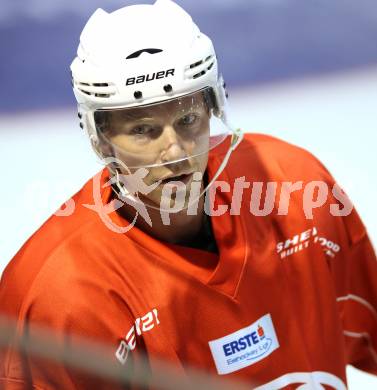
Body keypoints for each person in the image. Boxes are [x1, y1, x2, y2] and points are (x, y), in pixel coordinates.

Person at [0, 0, 376, 389]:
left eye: (188, 119)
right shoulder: (60, 297)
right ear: (102, 139)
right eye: (143, 130)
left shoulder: (295, 189)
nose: (176, 152)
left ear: (214, 107)